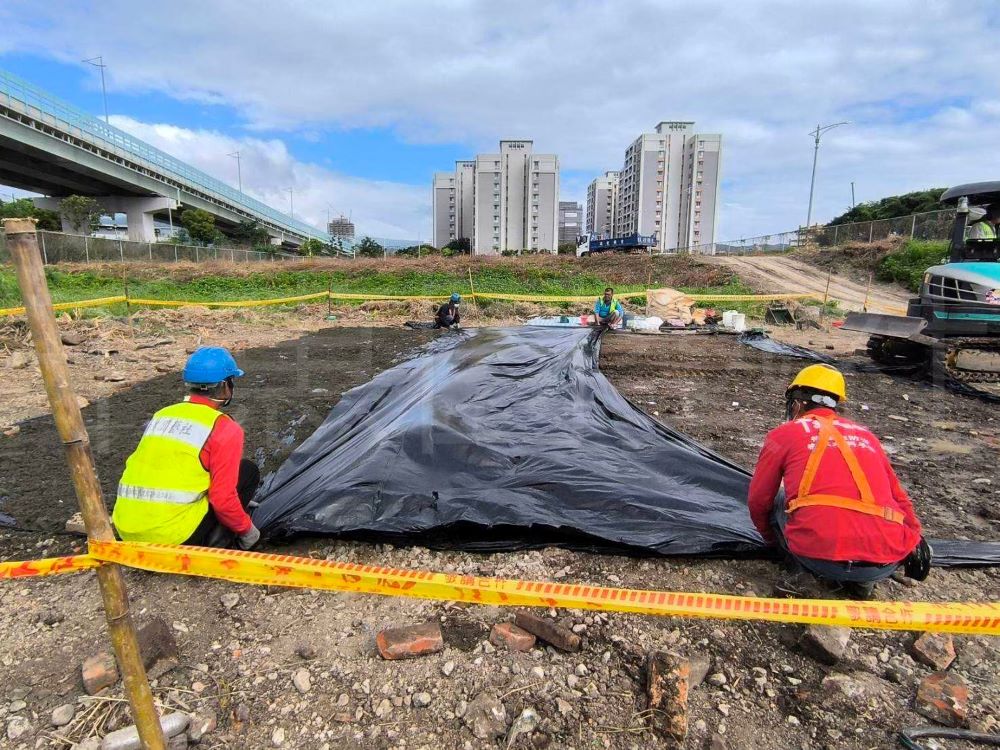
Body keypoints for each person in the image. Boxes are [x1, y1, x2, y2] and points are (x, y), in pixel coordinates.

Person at [747, 364, 930, 599]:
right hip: (884, 559)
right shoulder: (866, 436)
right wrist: (914, 536)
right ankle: (861, 583)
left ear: (798, 403)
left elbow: (758, 500)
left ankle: (800, 574)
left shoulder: (784, 434)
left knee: (780, 499)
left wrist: (774, 541)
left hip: (816, 556)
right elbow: (899, 497)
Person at [112, 347, 261, 550]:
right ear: (225, 386)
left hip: (127, 529)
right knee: (247, 471)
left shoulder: (162, 415)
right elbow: (223, 498)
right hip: (173, 537)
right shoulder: (224, 427)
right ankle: (218, 543)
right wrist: (247, 530)